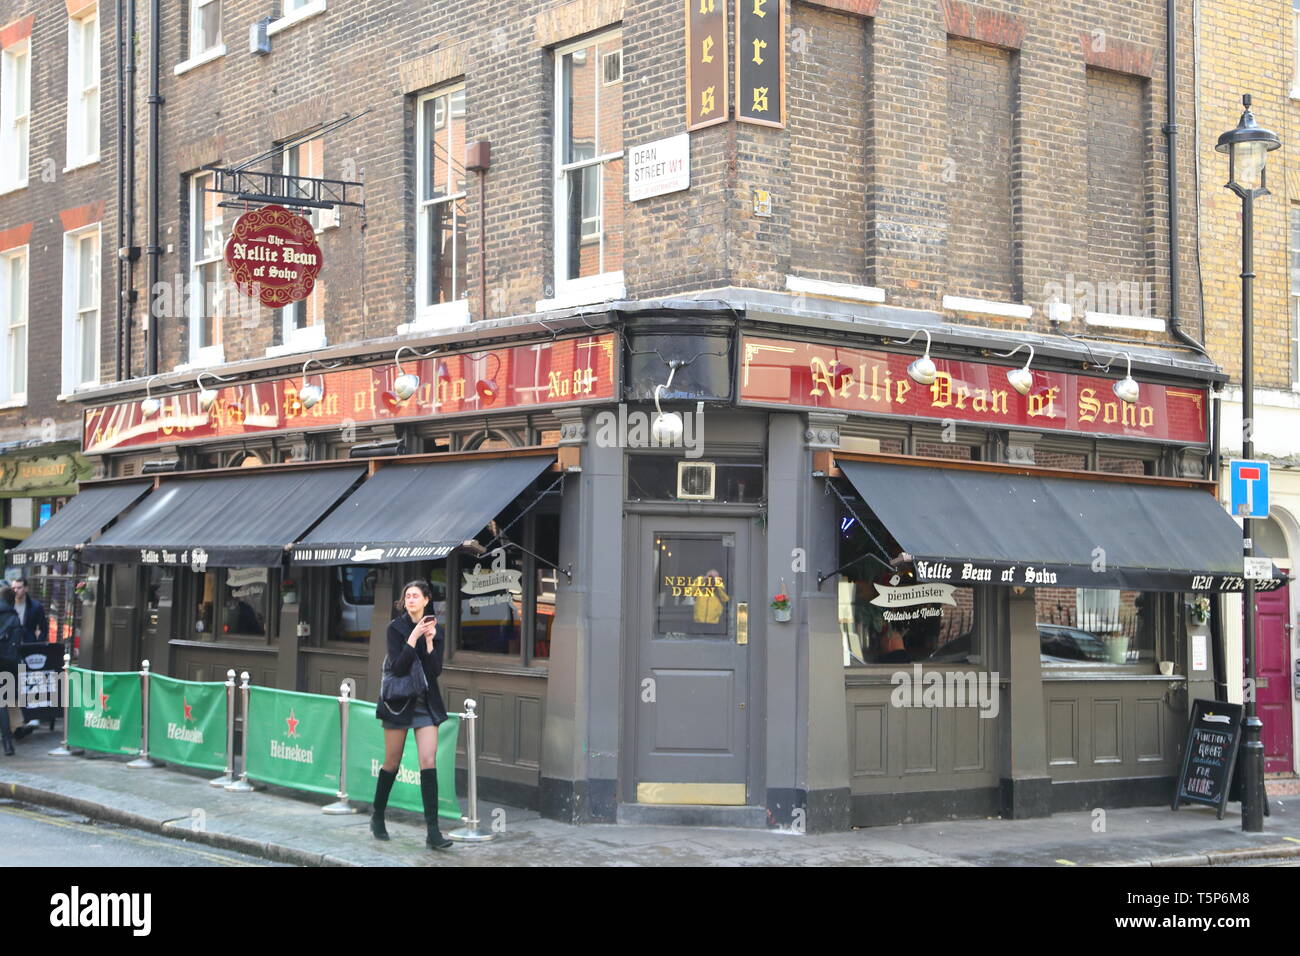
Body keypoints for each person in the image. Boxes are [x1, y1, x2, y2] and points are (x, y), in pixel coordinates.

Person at [371, 580, 452, 850]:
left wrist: (429, 641)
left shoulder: (435, 630)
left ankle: (433, 831)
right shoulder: (395, 628)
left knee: (428, 761)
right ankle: (378, 816)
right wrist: (414, 636)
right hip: (399, 703)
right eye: (407, 596)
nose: (411, 600)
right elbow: (398, 665)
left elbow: (434, 672)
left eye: (416, 596)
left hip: (425, 704)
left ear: (427, 600)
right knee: (391, 762)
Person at [0, 586, 23, 756]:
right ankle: (8, 742)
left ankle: (8, 742)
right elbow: (16, 645)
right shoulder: (14, 618)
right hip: (8, 663)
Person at [10, 578, 49, 643]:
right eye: (13, 588)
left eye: (19, 588)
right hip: (10, 644)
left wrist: (38, 643)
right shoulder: (7, 605)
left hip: (28, 643)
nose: (15, 590)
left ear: (26, 589)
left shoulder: (36, 606)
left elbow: (44, 628)